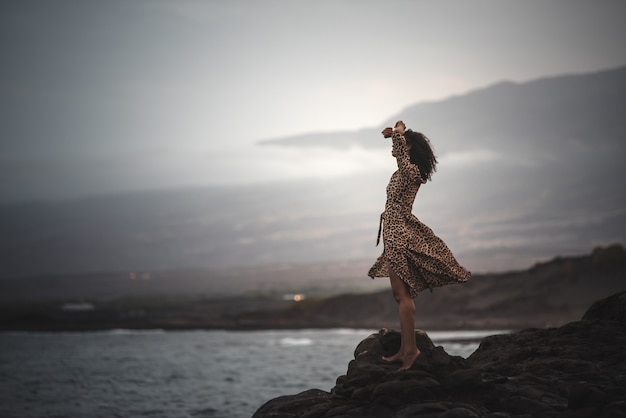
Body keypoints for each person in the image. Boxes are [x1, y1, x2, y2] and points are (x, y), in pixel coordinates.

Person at [368, 120, 471, 370]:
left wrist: (399, 135)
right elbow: (399, 155)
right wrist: (395, 137)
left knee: (402, 295)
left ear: (409, 148)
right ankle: (405, 349)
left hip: (399, 235)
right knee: (400, 295)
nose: (397, 149)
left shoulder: (410, 172)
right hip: (394, 232)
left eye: (403, 146)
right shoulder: (401, 171)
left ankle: (411, 350)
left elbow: (402, 156)